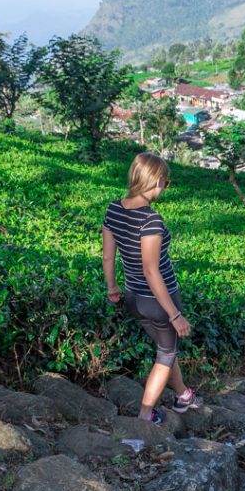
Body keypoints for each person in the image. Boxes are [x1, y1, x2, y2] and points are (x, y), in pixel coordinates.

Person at [102, 152, 200, 424]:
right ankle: (146, 413)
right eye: (164, 182)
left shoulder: (113, 209)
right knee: (166, 353)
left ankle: (183, 395)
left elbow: (109, 256)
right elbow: (151, 269)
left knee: (166, 347)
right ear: (154, 181)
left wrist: (112, 288)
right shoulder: (150, 221)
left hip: (134, 299)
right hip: (160, 299)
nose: (164, 188)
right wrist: (174, 314)